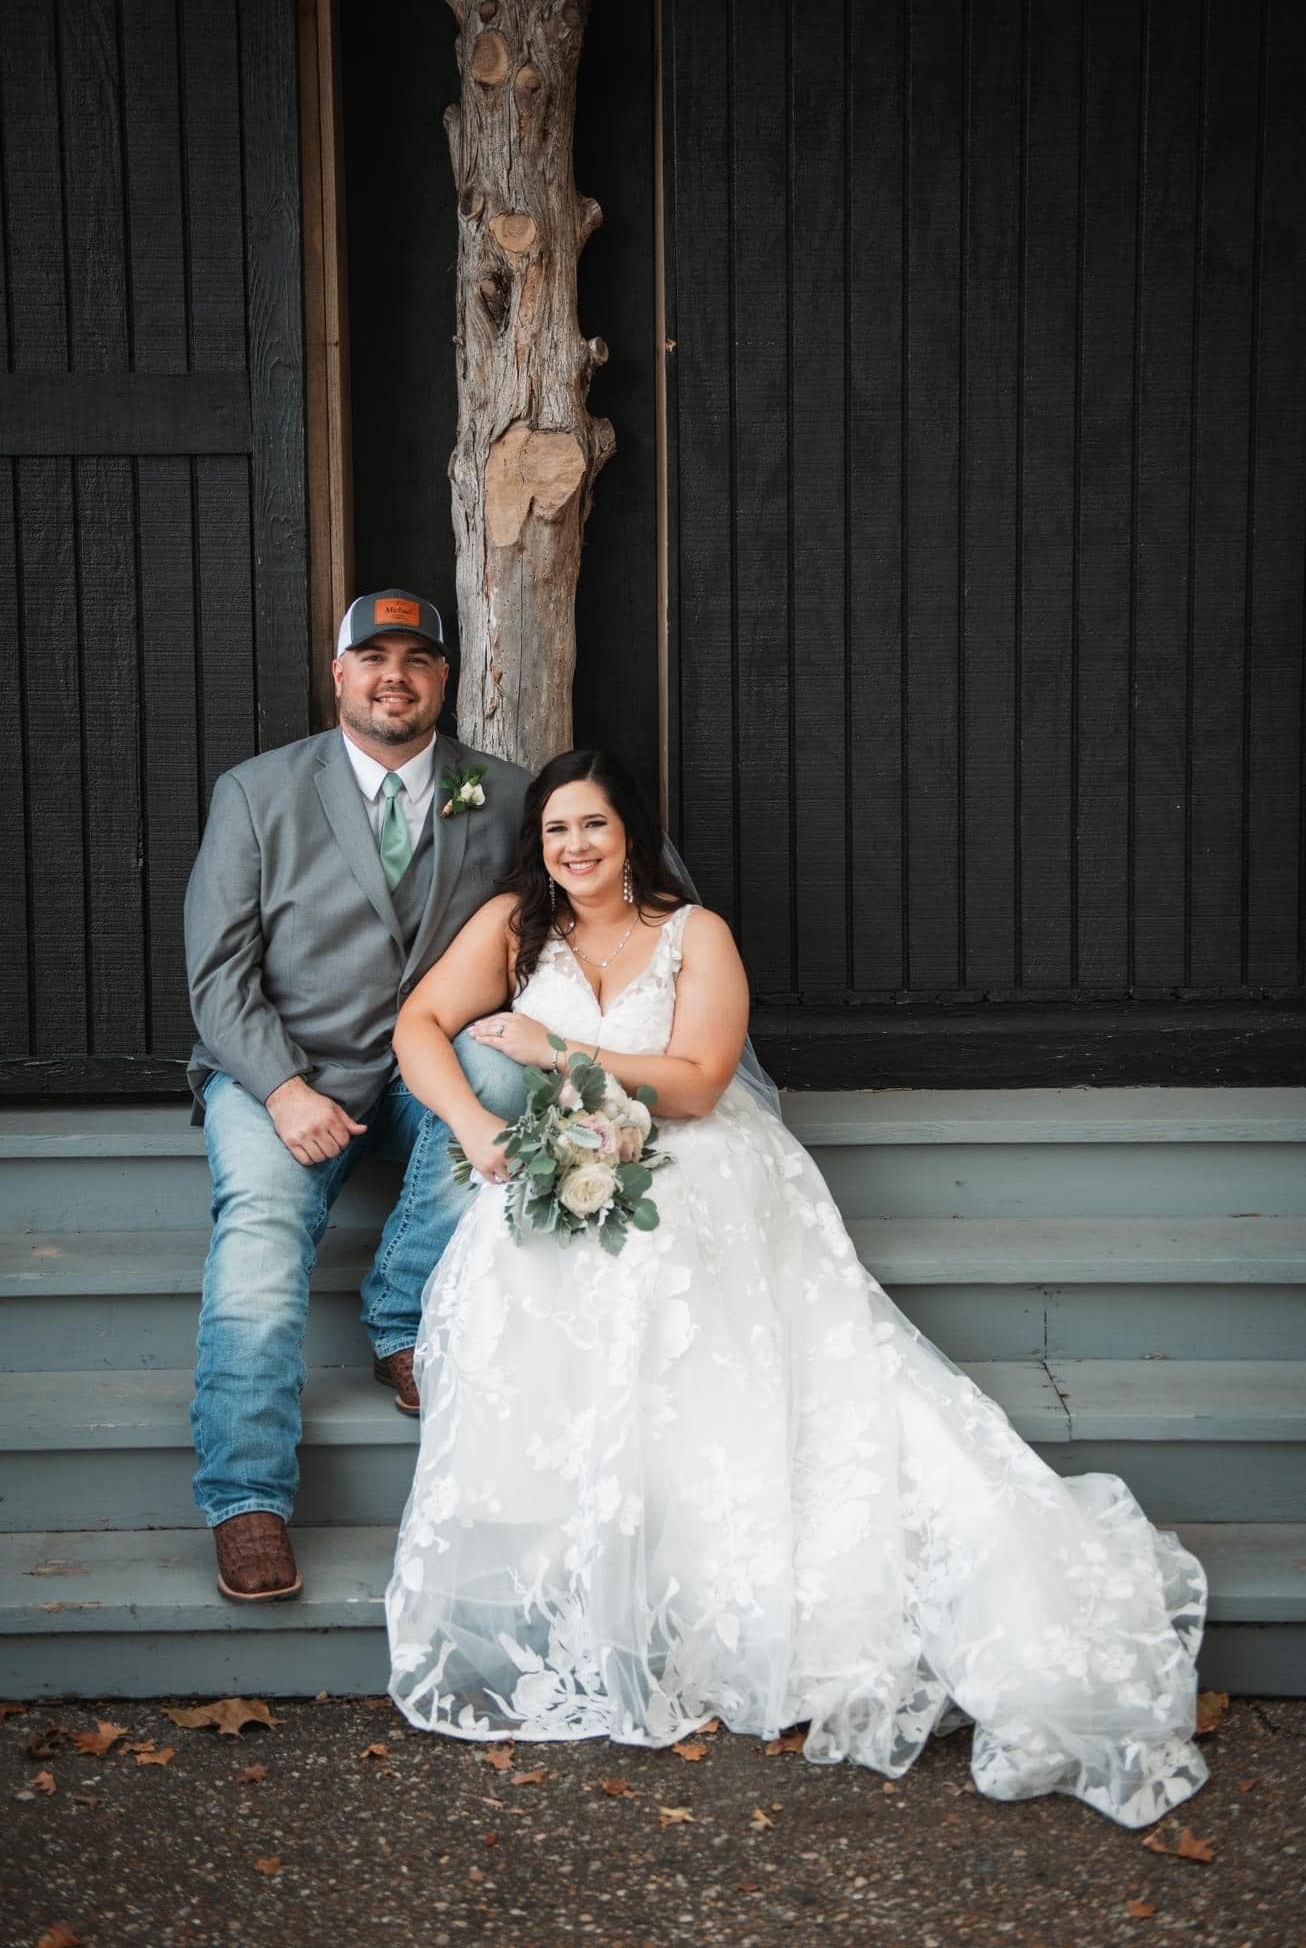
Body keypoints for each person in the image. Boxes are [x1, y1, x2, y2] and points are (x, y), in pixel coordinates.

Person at [384, 750, 1210, 1829]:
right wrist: (477, 1123)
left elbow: (696, 1080)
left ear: (629, 830)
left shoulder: (695, 933)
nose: (574, 848)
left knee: (661, 1270)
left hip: (691, 1159)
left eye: (592, 825)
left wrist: (559, 1048)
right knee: (516, 1260)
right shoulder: (511, 924)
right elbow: (417, 1028)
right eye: (555, 831)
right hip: (560, 1154)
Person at [183, 593, 528, 1604]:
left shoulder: (501, 794)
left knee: (500, 1077)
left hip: (428, 1072)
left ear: (443, 678)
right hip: (282, 1069)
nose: (395, 676)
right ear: (338, 674)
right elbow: (217, 975)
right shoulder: (256, 792)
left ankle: (400, 1318)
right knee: (258, 1231)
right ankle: (246, 1496)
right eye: (372, 656)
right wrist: (282, 1088)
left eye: (418, 658)